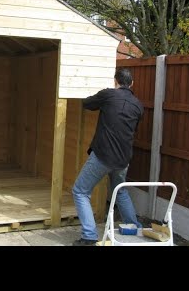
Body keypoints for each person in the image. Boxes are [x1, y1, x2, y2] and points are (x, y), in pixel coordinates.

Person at [72, 68, 144, 246]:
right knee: (120, 191)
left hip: (103, 155)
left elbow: (87, 103)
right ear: (132, 84)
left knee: (80, 191)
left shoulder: (108, 95)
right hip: (123, 159)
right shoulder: (138, 105)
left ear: (115, 81)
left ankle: (89, 236)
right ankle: (134, 227)